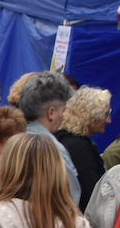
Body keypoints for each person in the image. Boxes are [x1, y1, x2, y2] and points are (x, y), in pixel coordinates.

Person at [18, 72, 81, 206]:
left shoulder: (10, 140)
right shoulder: (53, 150)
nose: (65, 117)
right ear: (51, 112)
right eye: (64, 110)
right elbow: (69, 201)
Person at [57, 86, 113, 213]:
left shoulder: (64, 140)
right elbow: (92, 195)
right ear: (91, 116)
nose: (109, 120)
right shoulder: (80, 150)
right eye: (106, 114)